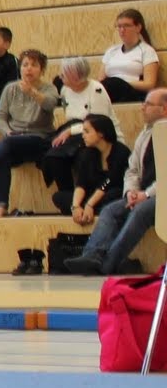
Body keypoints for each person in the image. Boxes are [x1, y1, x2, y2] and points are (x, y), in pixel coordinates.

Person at [63, 87, 166, 275]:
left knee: (141, 211)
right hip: (142, 194)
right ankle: (92, 255)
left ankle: (107, 265)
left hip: (160, 196)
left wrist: (146, 194)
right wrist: (131, 191)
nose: (142, 107)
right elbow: (132, 169)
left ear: (164, 109)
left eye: (148, 104)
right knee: (111, 210)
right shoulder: (145, 134)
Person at [0, 49, 60, 217]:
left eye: (34, 65)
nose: (28, 69)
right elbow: (1, 116)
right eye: (25, 65)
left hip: (40, 138)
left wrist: (32, 92)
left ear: (42, 70)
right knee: (3, 155)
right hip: (15, 138)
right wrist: (7, 131)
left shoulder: (49, 88)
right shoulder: (11, 88)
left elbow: (50, 105)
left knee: (6, 144)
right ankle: (1, 206)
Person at [39, 57, 118, 210]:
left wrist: (71, 131)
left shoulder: (96, 90)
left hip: (97, 136)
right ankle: (69, 196)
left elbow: (99, 124)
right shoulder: (65, 90)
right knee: (53, 156)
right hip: (75, 133)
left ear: (75, 77)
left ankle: (87, 200)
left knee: (84, 156)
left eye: (64, 74)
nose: (60, 77)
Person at [62, 113, 130, 220]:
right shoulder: (87, 153)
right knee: (60, 197)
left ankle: (92, 211)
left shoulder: (121, 152)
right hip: (92, 195)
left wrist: (90, 205)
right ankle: (82, 212)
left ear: (101, 133)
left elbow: (108, 183)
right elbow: (81, 183)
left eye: (87, 131)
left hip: (110, 193)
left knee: (113, 194)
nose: (83, 135)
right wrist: (75, 206)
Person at [102, 8, 160, 103]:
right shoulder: (111, 51)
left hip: (132, 93)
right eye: (119, 26)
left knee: (115, 83)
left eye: (126, 26)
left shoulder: (146, 51)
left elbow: (149, 84)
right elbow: (101, 80)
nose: (122, 30)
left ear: (138, 27)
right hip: (110, 90)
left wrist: (123, 83)